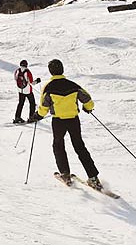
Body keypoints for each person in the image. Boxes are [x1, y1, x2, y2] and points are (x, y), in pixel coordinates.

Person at [36, 59, 103, 190]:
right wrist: (88, 108)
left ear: (50, 71)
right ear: (62, 70)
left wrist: (37, 116)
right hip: (73, 120)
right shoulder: (72, 85)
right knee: (80, 147)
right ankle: (94, 178)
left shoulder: (48, 87)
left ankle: (65, 174)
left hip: (58, 121)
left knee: (58, 145)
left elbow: (43, 106)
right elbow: (87, 98)